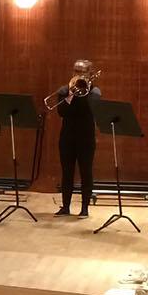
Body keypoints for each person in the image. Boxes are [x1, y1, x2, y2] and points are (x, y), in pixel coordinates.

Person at [52, 60, 101, 217]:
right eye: (76, 71)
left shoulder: (95, 91)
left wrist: (84, 91)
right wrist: (72, 94)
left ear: (89, 74)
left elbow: (92, 110)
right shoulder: (64, 90)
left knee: (86, 172)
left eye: (82, 72)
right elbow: (62, 112)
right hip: (67, 137)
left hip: (86, 138)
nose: (78, 75)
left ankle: (84, 208)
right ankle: (65, 207)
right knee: (67, 172)